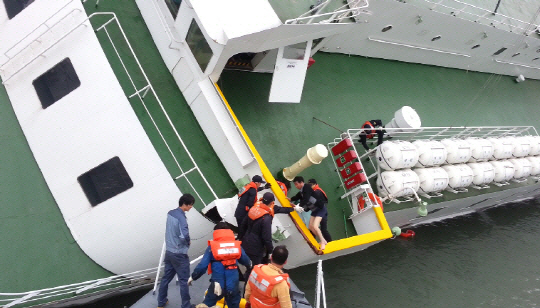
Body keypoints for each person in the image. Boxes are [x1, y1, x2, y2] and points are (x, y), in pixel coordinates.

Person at [189, 222, 251, 308]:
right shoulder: (236, 246)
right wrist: (249, 266)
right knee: (234, 304)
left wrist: (193, 277)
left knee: (207, 304)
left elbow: (202, 266)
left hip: (217, 284)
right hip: (233, 283)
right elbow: (246, 261)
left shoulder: (212, 247)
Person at [157, 194, 196, 308]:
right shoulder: (181, 217)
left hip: (169, 252)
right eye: (191, 205)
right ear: (185, 204)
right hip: (179, 253)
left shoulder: (170, 213)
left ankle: (161, 302)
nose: (191, 207)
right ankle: (186, 305)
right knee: (184, 281)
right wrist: (188, 242)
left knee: (165, 279)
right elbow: (184, 235)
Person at [238, 192, 296, 267]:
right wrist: (270, 251)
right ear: (272, 202)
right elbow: (266, 237)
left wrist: (240, 237)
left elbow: (243, 224)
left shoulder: (254, 208)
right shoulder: (266, 218)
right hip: (256, 247)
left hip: (246, 241)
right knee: (255, 267)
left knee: (246, 264)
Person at [288, 176, 331, 250]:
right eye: (295, 184)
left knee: (315, 226)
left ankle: (323, 241)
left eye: (296, 184)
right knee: (310, 226)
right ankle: (323, 240)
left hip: (320, 209)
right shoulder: (302, 191)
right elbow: (298, 196)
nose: (296, 186)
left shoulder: (307, 187)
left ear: (302, 182)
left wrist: (298, 206)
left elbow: (306, 198)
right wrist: (291, 199)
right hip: (315, 210)